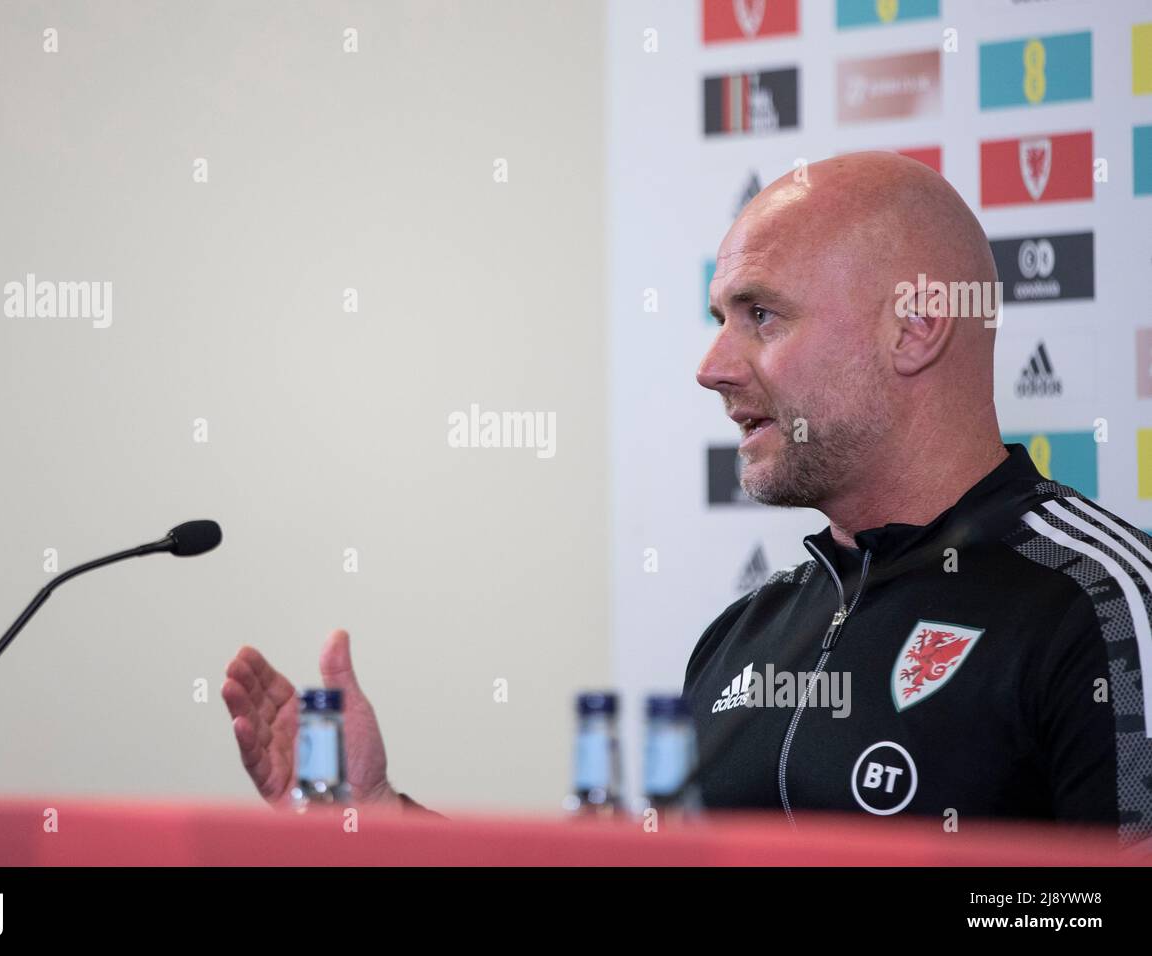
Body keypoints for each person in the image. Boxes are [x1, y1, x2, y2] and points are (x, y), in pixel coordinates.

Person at [223, 152, 1152, 848]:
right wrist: (378, 817)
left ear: (915, 327)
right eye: (719, 320)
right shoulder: (745, 634)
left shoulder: (1099, 608)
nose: (711, 367)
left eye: (761, 315)